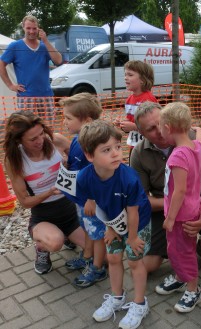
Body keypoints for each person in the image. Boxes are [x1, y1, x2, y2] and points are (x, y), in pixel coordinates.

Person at [130, 101, 201, 276]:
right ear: (141, 133)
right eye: (151, 128)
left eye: (160, 123)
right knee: (147, 265)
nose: (159, 130)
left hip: (196, 203)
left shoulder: (190, 140)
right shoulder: (138, 153)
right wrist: (172, 205)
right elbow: (141, 201)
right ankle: (177, 250)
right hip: (165, 209)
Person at [74, 120, 151, 328]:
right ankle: (117, 298)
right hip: (113, 222)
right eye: (107, 150)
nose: (116, 153)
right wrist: (109, 227)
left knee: (135, 262)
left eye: (118, 147)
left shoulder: (129, 179)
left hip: (137, 222)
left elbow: (132, 212)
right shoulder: (84, 177)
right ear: (90, 156)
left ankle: (140, 303)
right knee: (113, 258)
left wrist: (133, 238)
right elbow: (100, 204)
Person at [3, 111, 84, 275]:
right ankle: (41, 249)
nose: (40, 140)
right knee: (55, 242)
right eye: (33, 139)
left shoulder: (57, 140)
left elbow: (81, 161)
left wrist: (72, 165)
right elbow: (25, 202)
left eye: (41, 134)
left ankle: (69, 235)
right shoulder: (14, 159)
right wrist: (48, 192)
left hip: (70, 210)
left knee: (99, 251)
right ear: (18, 140)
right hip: (43, 215)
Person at [154, 102, 201, 312]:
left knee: (182, 251)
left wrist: (171, 218)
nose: (159, 131)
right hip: (191, 210)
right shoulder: (195, 147)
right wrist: (199, 130)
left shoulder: (177, 155)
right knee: (179, 249)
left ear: (168, 128)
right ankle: (180, 277)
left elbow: (180, 190)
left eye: (159, 126)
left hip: (181, 215)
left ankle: (193, 289)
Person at [57, 93, 107, 288]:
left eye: (69, 118)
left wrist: (92, 199)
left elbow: (100, 175)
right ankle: (87, 256)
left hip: (92, 202)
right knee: (87, 228)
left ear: (87, 120)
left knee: (98, 233)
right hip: (82, 200)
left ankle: (98, 267)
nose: (64, 122)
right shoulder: (78, 140)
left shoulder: (94, 144)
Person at [0, 15, 62, 122]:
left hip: (46, 95)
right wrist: (10, 85)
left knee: (48, 128)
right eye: (28, 28)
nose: (32, 31)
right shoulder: (15, 46)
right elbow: (1, 64)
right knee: (27, 129)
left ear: (38, 28)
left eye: (34, 28)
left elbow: (58, 61)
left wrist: (46, 41)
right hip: (26, 96)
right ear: (23, 27)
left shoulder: (44, 46)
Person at [114, 60, 158, 151]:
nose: (126, 78)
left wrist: (134, 127)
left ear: (142, 80)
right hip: (134, 148)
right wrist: (122, 124)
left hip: (148, 147)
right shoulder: (129, 100)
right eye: (125, 74)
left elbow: (155, 126)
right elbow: (130, 123)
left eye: (130, 75)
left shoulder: (149, 99)